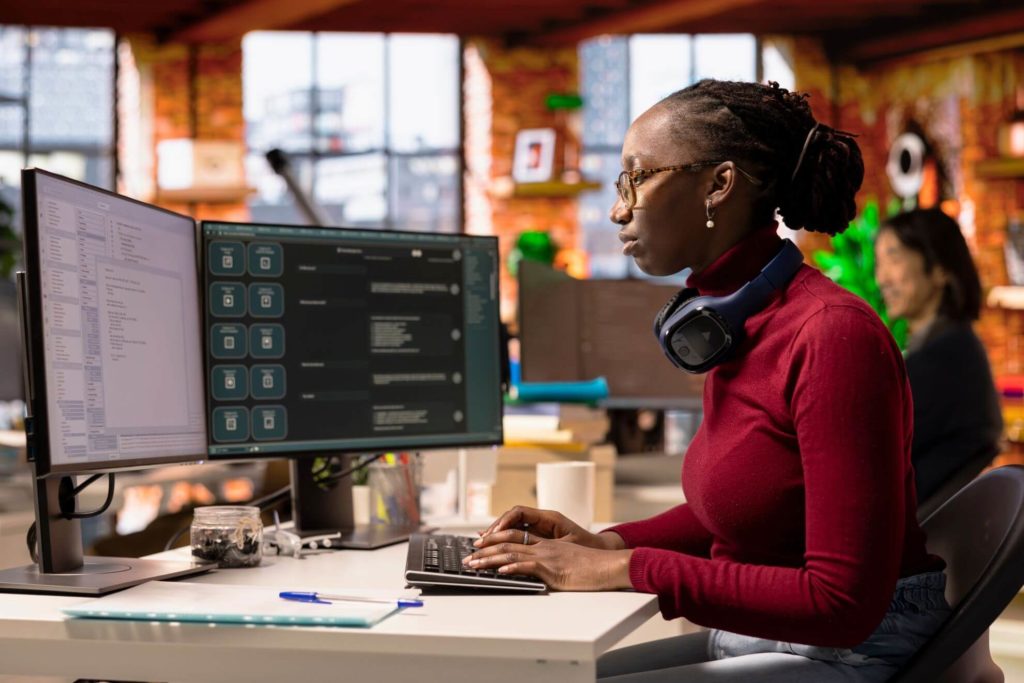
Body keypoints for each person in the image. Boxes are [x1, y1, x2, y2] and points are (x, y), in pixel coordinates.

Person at [463, 79, 950, 682]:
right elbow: (748, 508)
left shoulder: (830, 336)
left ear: (718, 185)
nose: (620, 208)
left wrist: (628, 569)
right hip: (774, 638)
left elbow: (841, 605)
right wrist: (606, 544)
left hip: (853, 651)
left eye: (637, 177)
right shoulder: (735, 322)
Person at [874, 208, 1003, 505]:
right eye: (879, 263)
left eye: (893, 258)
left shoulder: (946, 359)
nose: (882, 278)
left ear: (939, 268)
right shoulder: (953, 346)